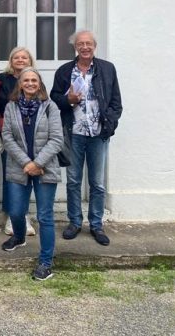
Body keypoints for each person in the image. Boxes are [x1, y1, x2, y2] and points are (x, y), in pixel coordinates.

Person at [51, 30, 123, 246]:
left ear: (94, 46)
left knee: (97, 183)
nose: (85, 47)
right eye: (81, 43)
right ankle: (74, 222)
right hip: (73, 134)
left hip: (98, 134)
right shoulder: (65, 71)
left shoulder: (107, 69)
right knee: (73, 181)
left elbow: (116, 103)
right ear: (75, 47)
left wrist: (109, 123)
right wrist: (68, 99)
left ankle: (96, 224)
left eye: (88, 43)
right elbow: (54, 99)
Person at [1, 67, 64, 281]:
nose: (29, 83)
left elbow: (57, 139)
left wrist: (37, 163)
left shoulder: (50, 107)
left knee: (45, 216)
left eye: (33, 80)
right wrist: (27, 163)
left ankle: (46, 262)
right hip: (19, 166)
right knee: (17, 211)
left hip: (45, 168)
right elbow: (7, 137)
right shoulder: (11, 107)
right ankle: (19, 237)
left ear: (39, 83)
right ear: (20, 84)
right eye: (25, 80)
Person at [0, 46, 38, 237]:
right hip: (9, 135)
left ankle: (24, 215)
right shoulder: (2, 79)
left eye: (24, 57)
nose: (20, 60)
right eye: (16, 57)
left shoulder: (33, 79)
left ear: (30, 61)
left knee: (27, 174)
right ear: (11, 61)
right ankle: (11, 217)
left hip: (30, 135)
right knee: (10, 176)